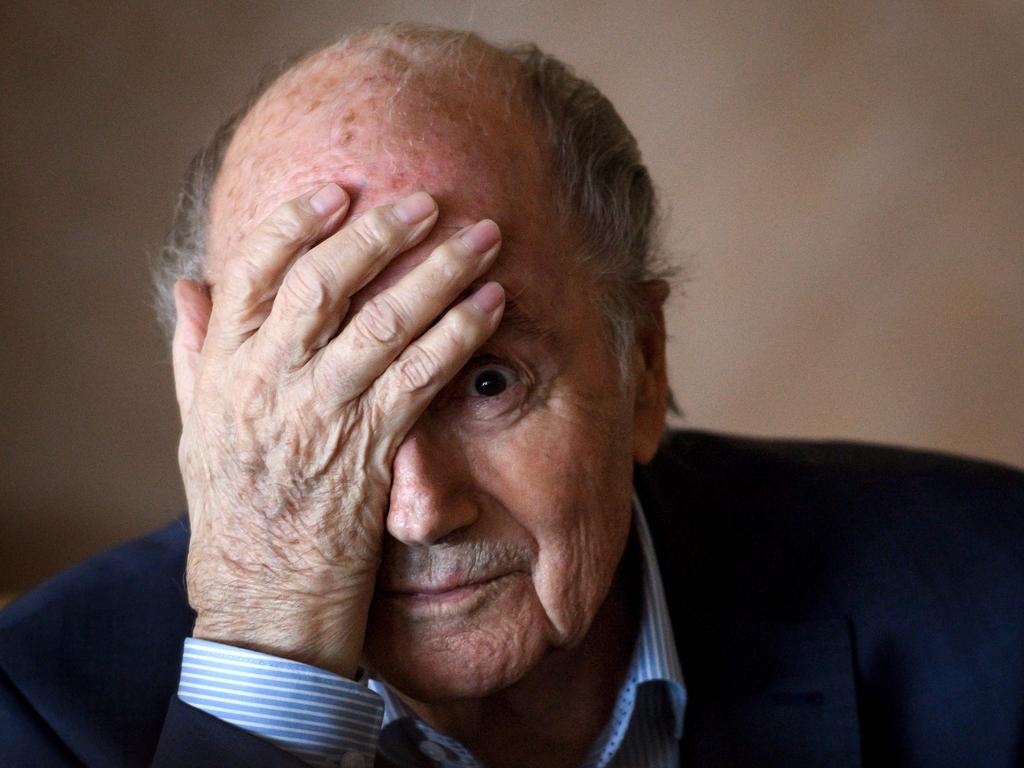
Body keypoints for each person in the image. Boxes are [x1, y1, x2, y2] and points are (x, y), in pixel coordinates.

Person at [1, 23, 1022, 768]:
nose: (418, 505)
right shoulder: (36, 710)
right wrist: (269, 651)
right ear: (208, 399)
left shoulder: (996, 601)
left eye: (487, 381)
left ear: (643, 369)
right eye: (320, 401)